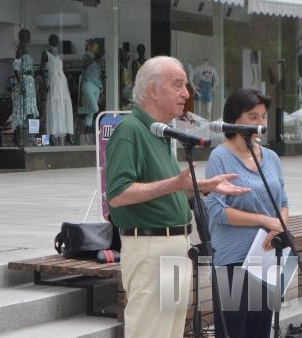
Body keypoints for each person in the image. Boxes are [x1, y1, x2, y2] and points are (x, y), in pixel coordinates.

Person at [104, 56, 250, 338]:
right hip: (150, 249)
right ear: (153, 90)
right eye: (178, 85)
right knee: (151, 332)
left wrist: (203, 185)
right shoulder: (130, 130)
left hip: (174, 246)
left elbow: (163, 187)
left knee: (170, 332)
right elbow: (119, 194)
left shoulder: (160, 132)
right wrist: (174, 183)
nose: (186, 93)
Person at [205, 88, 288, 338]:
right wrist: (264, 220)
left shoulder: (271, 157)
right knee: (234, 332)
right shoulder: (219, 156)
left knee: (260, 330)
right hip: (234, 259)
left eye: (263, 117)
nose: (261, 123)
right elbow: (218, 211)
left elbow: (283, 201)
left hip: (267, 256)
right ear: (234, 119)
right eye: (253, 117)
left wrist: (279, 225)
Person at [41, 34, 73, 145]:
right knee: (54, 106)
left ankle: (66, 133)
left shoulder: (59, 55)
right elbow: (41, 70)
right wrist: (45, 85)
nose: (56, 41)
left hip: (62, 83)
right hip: (53, 82)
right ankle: (52, 135)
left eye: (57, 40)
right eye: (54, 40)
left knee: (63, 105)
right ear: (50, 41)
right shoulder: (46, 54)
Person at [10, 28, 39, 137]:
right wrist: (21, 84)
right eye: (26, 36)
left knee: (30, 107)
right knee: (24, 107)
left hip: (29, 81)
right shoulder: (20, 50)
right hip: (24, 81)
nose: (28, 39)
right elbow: (16, 69)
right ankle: (25, 134)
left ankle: (31, 134)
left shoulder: (25, 50)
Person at [79, 39, 103, 130]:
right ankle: (82, 112)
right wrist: (93, 58)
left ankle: (87, 130)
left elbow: (96, 74)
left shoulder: (97, 63)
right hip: (88, 84)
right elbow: (83, 66)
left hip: (96, 86)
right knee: (95, 109)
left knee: (91, 114)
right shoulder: (87, 56)